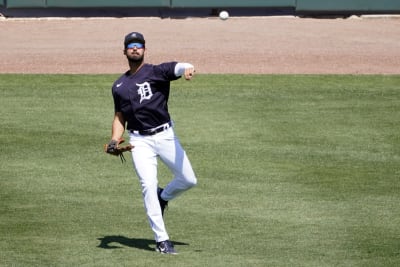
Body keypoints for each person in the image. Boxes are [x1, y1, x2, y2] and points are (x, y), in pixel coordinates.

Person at [106, 32, 197, 255]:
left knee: (188, 179)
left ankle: (163, 197)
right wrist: (114, 139)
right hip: (139, 141)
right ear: (125, 51)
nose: (135, 49)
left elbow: (178, 66)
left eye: (138, 46)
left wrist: (188, 68)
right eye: (131, 46)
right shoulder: (119, 86)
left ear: (145, 50)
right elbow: (120, 117)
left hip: (165, 135)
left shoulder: (156, 72)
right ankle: (162, 240)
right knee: (148, 184)